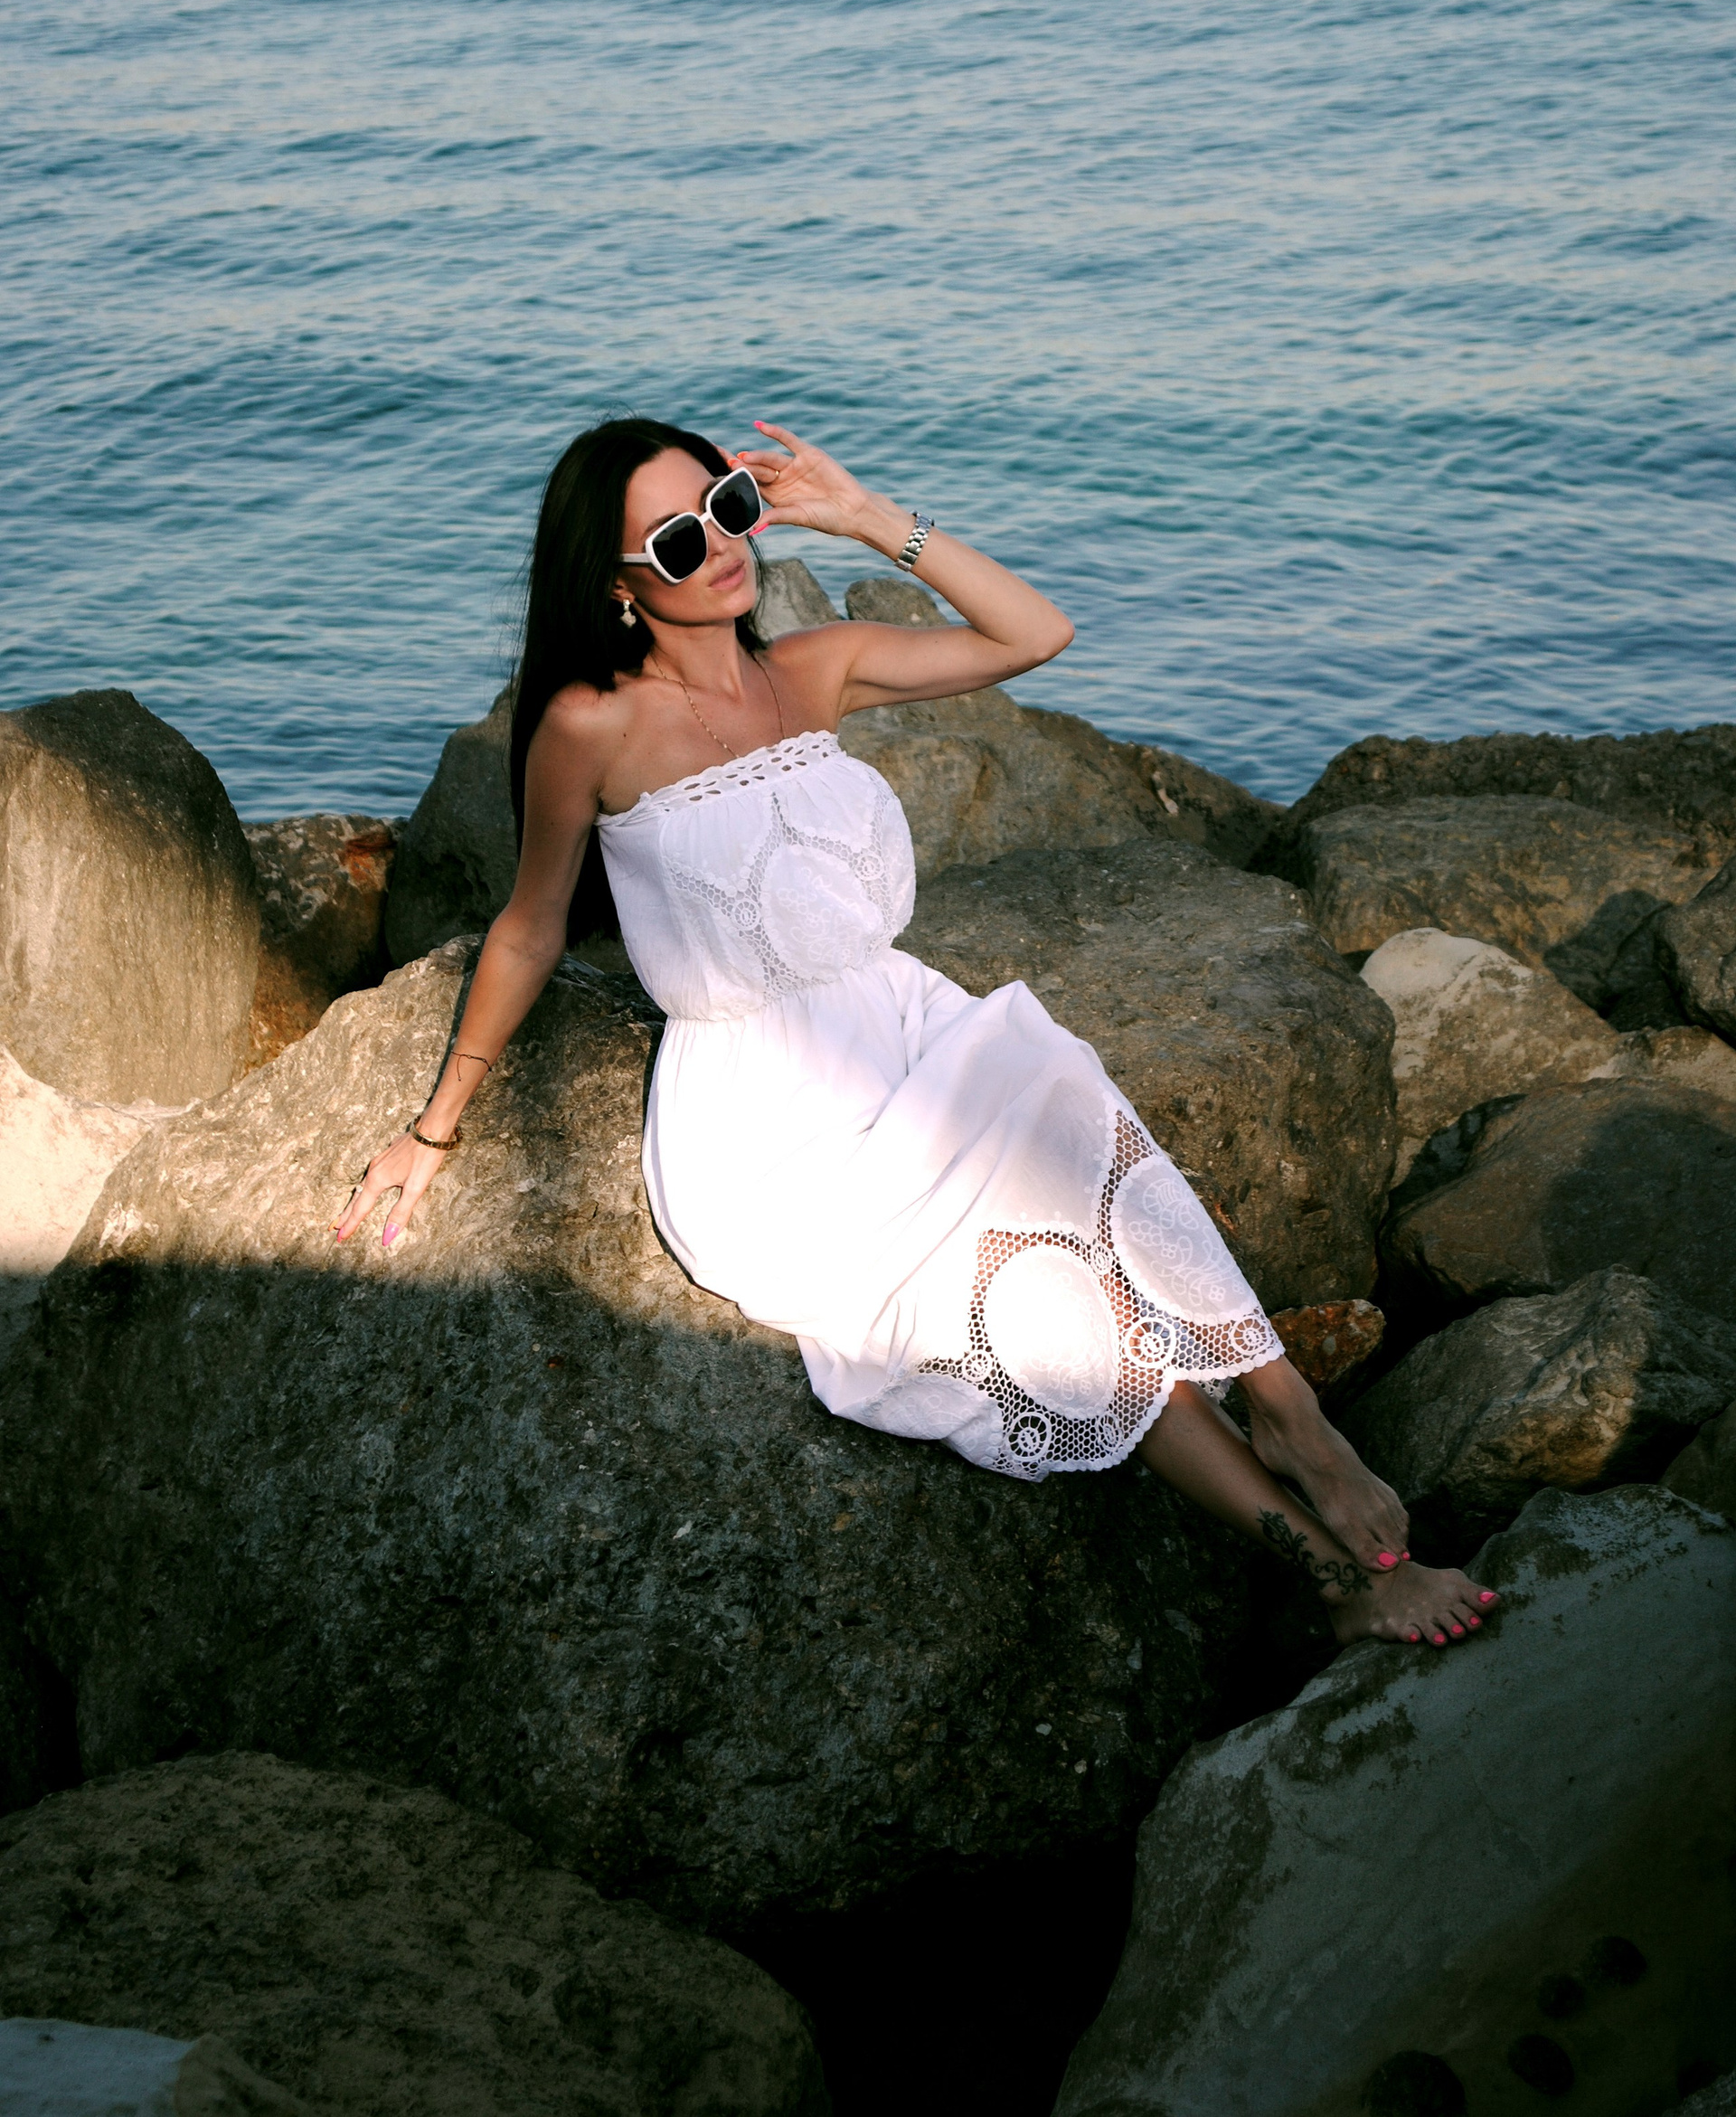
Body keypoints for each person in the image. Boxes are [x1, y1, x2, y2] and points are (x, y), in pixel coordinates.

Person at [338, 417, 1497, 1652]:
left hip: (900, 1020)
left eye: (730, 507)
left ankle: (1286, 1407)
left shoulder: (815, 669)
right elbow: (528, 927)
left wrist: (866, 517)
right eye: (677, 541)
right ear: (618, 587)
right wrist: (434, 1130)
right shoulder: (591, 724)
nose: (721, 548)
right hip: (772, 1121)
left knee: (1062, 1081)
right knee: (1059, 1307)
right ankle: (1333, 1576)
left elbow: (1035, 634)